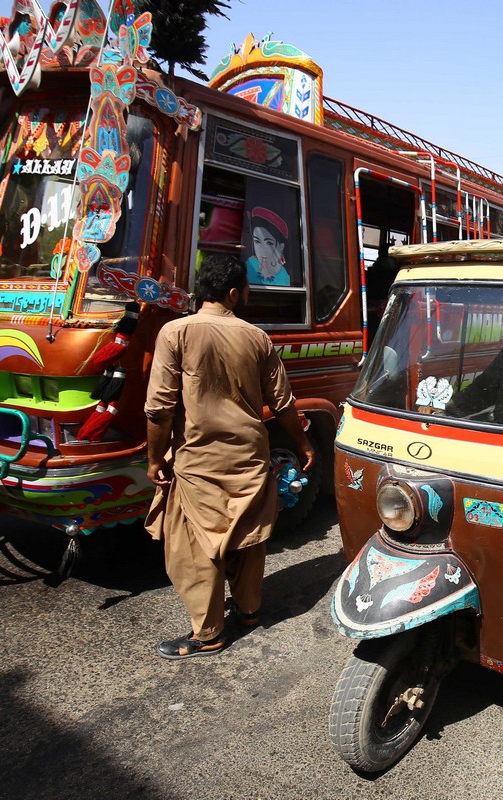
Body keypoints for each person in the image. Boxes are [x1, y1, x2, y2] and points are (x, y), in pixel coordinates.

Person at [145, 254, 315, 660]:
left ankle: (208, 634)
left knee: (196, 548)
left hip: (197, 461)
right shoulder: (257, 337)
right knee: (246, 539)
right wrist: (304, 444)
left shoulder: (175, 333)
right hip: (249, 458)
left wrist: (154, 459)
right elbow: (283, 403)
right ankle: (249, 611)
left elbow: (159, 408)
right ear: (235, 293)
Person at [245, 207, 291, 286]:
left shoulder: (284, 276)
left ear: (280, 246)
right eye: (257, 241)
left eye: (269, 243)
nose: (261, 249)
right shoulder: (249, 265)